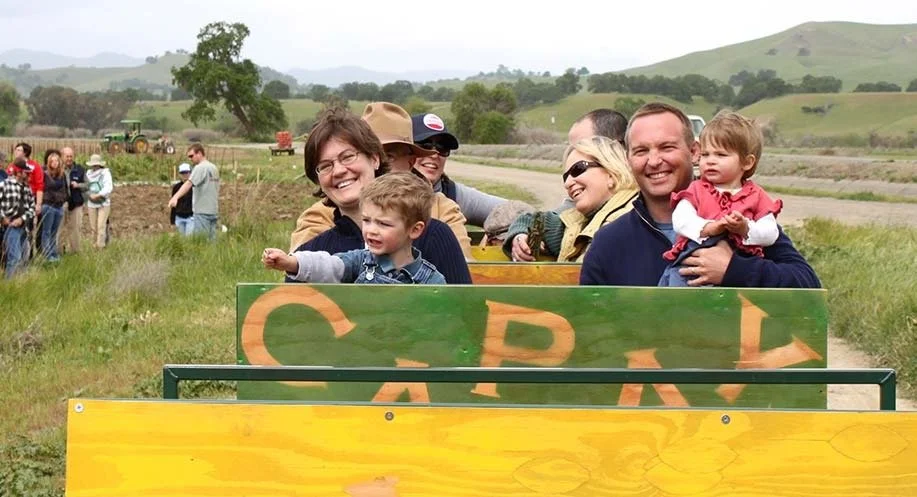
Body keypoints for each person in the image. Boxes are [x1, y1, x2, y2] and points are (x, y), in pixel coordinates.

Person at [580, 102, 820, 288]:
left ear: (694, 152)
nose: (654, 161)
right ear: (628, 159)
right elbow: (589, 328)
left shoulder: (742, 219)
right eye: (642, 151)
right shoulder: (609, 243)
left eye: (667, 147)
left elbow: (806, 282)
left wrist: (734, 269)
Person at [290, 107, 470, 284]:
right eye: (325, 166)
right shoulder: (312, 252)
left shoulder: (434, 236)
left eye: (348, 157)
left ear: (375, 159)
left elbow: (464, 308)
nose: (338, 171)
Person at [658, 111, 782, 286]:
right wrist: (709, 227)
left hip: (739, 265)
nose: (710, 161)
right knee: (677, 283)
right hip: (693, 262)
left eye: (721, 155)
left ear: (747, 162)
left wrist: (745, 228)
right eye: (705, 155)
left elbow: (770, 232)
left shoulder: (756, 195)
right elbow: (680, 219)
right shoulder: (696, 189)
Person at [264, 172, 445, 284]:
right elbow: (328, 266)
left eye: (383, 223)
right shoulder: (360, 261)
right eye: (367, 220)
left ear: (414, 229)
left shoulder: (431, 280)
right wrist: (292, 263)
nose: (371, 230)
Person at [503, 136, 639, 262]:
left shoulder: (634, 220)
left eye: (578, 169)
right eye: (565, 176)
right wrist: (519, 237)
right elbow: (533, 221)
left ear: (611, 172)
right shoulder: (579, 220)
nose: (567, 183)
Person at [412, 112, 507, 226]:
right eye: (424, 145)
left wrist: (517, 231)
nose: (434, 154)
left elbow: (517, 211)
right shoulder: (386, 192)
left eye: (442, 148)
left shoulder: (454, 195)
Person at [169, 144, 220, 241]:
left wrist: (175, 197)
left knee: (201, 242)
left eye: (191, 156)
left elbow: (188, 184)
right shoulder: (214, 168)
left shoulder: (200, 168)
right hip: (213, 210)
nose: (190, 159)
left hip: (202, 212)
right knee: (211, 242)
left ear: (199, 153)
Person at [1, 158, 36, 278]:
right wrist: (3, 218)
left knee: (24, 258)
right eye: (26, 172)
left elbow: (32, 208)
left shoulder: (27, 188)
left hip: (24, 227)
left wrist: (22, 219)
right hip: (11, 227)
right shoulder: (4, 185)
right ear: (18, 172)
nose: (29, 175)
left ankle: (21, 284)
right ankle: (10, 285)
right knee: (14, 258)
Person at [40, 149, 69, 262]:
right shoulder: (45, 174)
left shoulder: (62, 175)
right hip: (48, 206)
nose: (55, 163)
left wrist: (63, 199)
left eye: (57, 160)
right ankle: (47, 255)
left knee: (54, 232)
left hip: (59, 206)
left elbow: (64, 190)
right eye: (52, 161)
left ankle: (53, 253)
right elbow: (44, 189)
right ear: (49, 162)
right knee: (46, 231)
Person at [60, 147, 88, 254]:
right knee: (59, 229)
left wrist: (78, 185)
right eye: (67, 156)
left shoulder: (79, 169)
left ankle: (75, 252)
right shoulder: (57, 169)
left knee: (75, 228)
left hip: (76, 204)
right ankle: (59, 252)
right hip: (61, 204)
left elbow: (88, 185)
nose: (69, 158)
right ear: (62, 156)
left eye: (71, 156)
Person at [85, 154, 113, 249]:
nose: (95, 167)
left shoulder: (105, 173)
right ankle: (94, 246)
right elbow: (85, 186)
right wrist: (89, 195)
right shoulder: (88, 173)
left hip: (103, 203)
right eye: (93, 165)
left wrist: (98, 195)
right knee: (93, 227)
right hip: (91, 203)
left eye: (96, 165)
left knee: (101, 226)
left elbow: (108, 187)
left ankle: (100, 247)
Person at [170, 163, 194, 236]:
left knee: (189, 239)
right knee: (181, 240)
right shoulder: (176, 187)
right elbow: (174, 204)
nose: (185, 175)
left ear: (190, 173)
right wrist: (172, 221)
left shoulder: (194, 187)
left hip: (191, 218)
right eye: (182, 173)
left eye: (186, 172)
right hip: (179, 217)